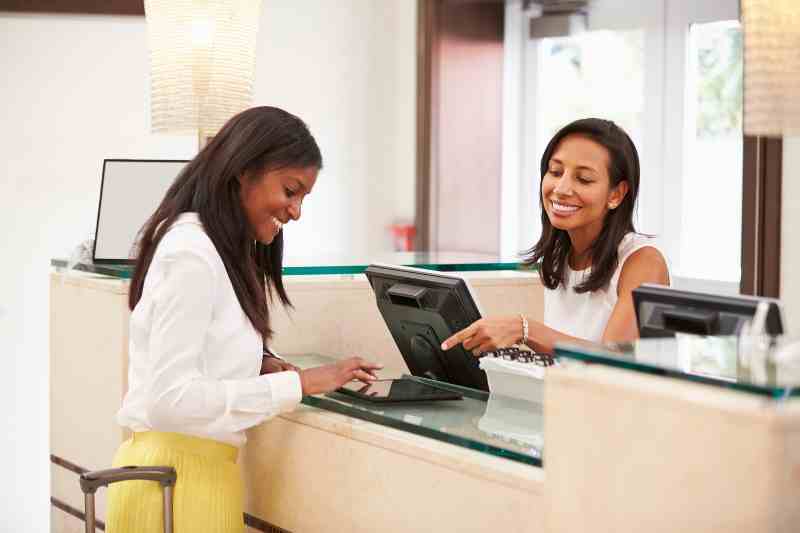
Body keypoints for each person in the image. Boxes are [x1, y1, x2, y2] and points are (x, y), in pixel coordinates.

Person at [106, 106, 382, 533]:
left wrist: (259, 361)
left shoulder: (212, 251)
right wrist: (299, 384)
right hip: (176, 486)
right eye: (291, 191)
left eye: (303, 198)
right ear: (243, 171)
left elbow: (200, 355)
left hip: (193, 482)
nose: (296, 212)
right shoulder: (192, 254)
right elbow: (169, 401)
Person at [442, 118, 670, 355]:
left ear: (616, 194)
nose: (560, 189)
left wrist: (525, 330)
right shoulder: (562, 255)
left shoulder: (644, 262)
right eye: (555, 171)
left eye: (583, 179)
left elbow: (619, 362)